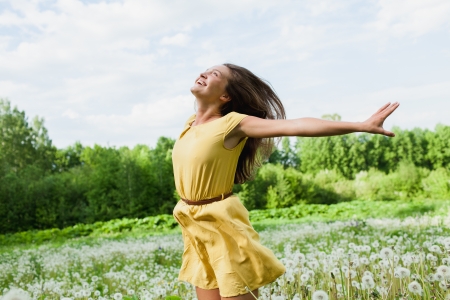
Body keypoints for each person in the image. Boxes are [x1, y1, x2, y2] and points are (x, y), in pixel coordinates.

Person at [172, 63, 399, 300]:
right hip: (194, 225)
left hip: (222, 225)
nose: (204, 73)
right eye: (206, 70)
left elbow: (296, 126)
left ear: (225, 95)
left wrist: (360, 126)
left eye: (214, 74)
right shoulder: (190, 124)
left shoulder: (233, 123)